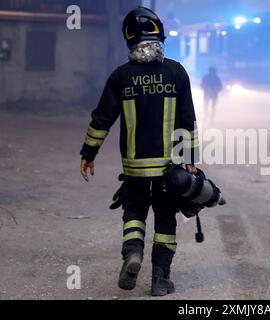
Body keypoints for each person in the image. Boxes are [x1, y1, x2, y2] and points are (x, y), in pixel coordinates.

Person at [79, 7, 199, 296]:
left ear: (129, 39)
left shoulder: (121, 77)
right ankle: (160, 278)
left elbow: (102, 119)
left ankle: (133, 253)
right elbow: (188, 120)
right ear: (159, 35)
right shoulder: (176, 72)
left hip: (134, 169)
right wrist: (190, 161)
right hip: (169, 170)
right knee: (166, 219)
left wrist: (88, 153)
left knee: (134, 212)